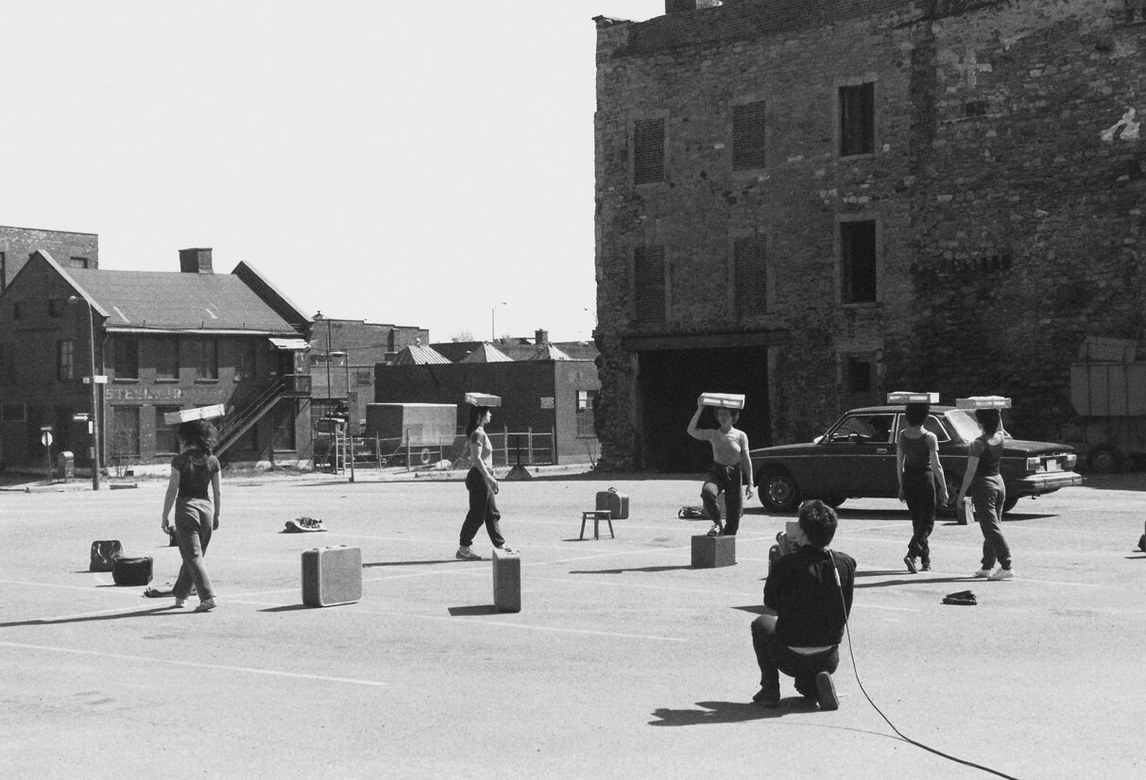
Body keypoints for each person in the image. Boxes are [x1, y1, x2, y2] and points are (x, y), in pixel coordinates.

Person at [750, 499, 855, 710]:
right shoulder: (845, 564)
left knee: (760, 624)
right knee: (805, 680)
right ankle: (816, 686)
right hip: (828, 655)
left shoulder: (786, 564)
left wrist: (784, 559)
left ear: (803, 531)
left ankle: (770, 690)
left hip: (790, 654)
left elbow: (770, 602)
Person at [161, 419, 221, 612]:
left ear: (187, 437)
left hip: (186, 507)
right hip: (207, 509)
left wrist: (164, 516)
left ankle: (207, 596)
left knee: (193, 556)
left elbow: (172, 490)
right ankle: (180, 595)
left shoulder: (180, 460)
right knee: (193, 555)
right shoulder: (213, 460)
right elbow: (218, 492)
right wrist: (217, 514)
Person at [956, 407, 1012, 580]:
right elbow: (1000, 428)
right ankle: (987, 565)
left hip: (984, 485)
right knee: (992, 526)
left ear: (979, 422)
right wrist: (998, 412)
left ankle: (1006, 565)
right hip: (999, 482)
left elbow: (970, 471)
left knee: (990, 527)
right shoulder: (1000, 437)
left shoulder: (977, 444)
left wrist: (961, 493)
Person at [687, 398, 753, 536]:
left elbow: (746, 459)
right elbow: (691, 430)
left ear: (733, 417)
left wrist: (750, 483)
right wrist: (700, 408)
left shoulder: (740, 436)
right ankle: (717, 523)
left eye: (726, 414)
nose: (722, 417)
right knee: (707, 492)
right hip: (717, 472)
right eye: (720, 414)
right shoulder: (713, 434)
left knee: (734, 519)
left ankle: (727, 553)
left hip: (734, 474)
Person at [896, 401, 948, 573]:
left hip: (909, 477)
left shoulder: (903, 435)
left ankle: (925, 559)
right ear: (925, 417)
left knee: (917, 521)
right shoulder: (930, 437)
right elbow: (936, 465)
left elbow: (899, 463)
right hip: (925, 479)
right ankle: (912, 553)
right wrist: (944, 488)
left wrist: (901, 485)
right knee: (927, 522)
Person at [456, 405, 513, 561]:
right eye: (488, 412)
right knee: (477, 515)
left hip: (484, 476)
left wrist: (490, 477)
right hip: (479, 477)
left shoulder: (481, 433)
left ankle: (500, 544)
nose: (491, 414)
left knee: (491, 513)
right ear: (480, 415)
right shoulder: (477, 434)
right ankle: (464, 548)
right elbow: (476, 458)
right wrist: (489, 477)